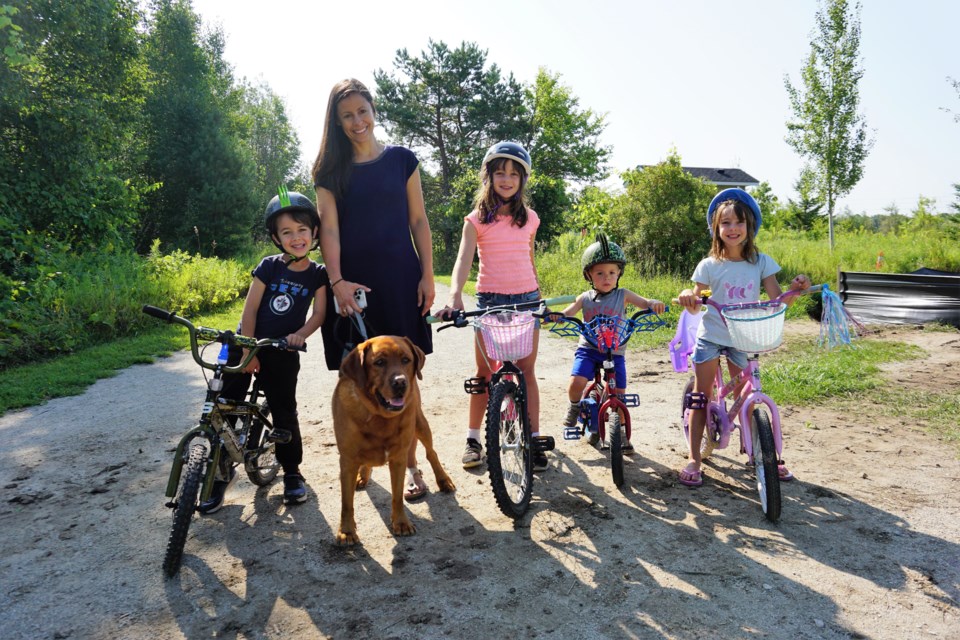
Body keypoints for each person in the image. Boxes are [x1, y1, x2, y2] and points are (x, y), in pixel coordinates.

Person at [311, 78, 436, 502]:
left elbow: (418, 221)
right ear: (337, 121)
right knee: (362, 379)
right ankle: (363, 458)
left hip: (402, 280)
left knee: (405, 377)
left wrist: (427, 275)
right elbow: (328, 228)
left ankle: (412, 466)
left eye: (362, 111)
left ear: (373, 110)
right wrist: (337, 282)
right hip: (354, 288)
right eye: (347, 115)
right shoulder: (328, 171)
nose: (357, 121)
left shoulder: (402, 160)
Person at [200, 189, 328, 513]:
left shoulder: (317, 274)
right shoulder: (269, 266)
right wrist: (247, 350)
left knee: (285, 412)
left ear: (314, 233)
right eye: (287, 232)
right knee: (223, 406)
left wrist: (299, 335)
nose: (296, 237)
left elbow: (320, 314)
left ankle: (292, 472)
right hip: (246, 344)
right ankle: (219, 473)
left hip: (282, 350)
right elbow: (250, 310)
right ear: (276, 237)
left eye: (302, 230)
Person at [676, 188, 810, 487]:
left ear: (750, 226)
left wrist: (796, 289)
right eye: (725, 223)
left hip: (743, 336)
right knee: (701, 397)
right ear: (716, 228)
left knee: (746, 397)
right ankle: (694, 457)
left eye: (739, 222)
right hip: (712, 335)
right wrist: (690, 296)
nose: (732, 228)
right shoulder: (709, 266)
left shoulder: (760, 262)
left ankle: (763, 456)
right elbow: (701, 299)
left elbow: (778, 300)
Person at [438, 141, 550, 471]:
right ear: (489, 176)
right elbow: (462, 259)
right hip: (489, 302)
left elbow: (529, 260)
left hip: (527, 299)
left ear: (522, 180)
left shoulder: (529, 219)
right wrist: (455, 295)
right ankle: (474, 439)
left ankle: (534, 438)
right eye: (500, 172)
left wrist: (540, 299)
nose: (506, 179)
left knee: (526, 372)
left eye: (514, 174)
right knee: (485, 372)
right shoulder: (475, 220)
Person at [549, 233, 665, 451]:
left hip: (615, 351)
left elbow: (645, 303)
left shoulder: (623, 294)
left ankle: (620, 432)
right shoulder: (585, 298)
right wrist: (559, 316)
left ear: (619, 273)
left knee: (618, 393)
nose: (607, 277)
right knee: (576, 383)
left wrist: (654, 303)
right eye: (600, 273)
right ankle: (575, 406)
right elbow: (569, 311)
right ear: (589, 275)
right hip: (589, 349)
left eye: (612, 272)